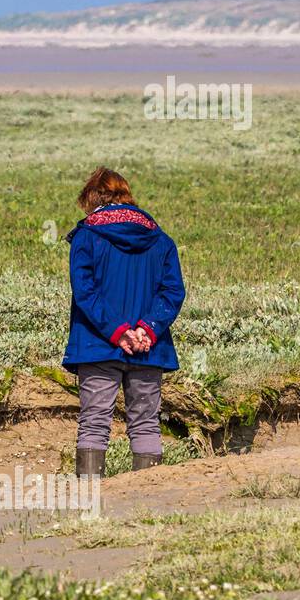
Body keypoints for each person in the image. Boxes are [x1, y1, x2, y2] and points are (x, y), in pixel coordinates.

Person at [62, 167, 186, 477]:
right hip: (149, 349)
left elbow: (85, 292)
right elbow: (172, 292)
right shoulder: (161, 240)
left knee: (94, 422)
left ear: (92, 198)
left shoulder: (86, 237)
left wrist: (118, 332)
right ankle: (148, 496)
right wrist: (147, 328)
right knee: (146, 423)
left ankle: (87, 498)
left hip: (97, 345)